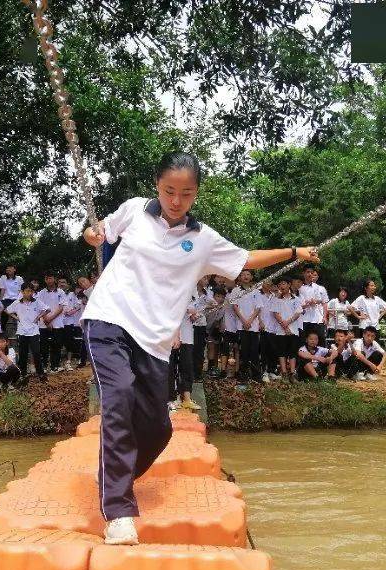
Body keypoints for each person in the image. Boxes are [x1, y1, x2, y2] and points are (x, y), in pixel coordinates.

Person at [81, 151, 318, 545]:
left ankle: (112, 474)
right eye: (169, 190)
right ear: (157, 185)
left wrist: (294, 252)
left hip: (154, 341)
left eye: (186, 193)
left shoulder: (203, 239)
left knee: (158, 431)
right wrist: (91, 234)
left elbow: (247, 258)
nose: (176, 201)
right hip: (109, 318)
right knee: (118, 396)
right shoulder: (134, 210)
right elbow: (100, 231)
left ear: (196, 194)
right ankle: (119, 511)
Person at [6, 282, 50, 382]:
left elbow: (48, 309)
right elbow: (7, 310)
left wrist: (39, 316)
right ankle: (23, 373)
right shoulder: (17, 302)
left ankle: (41, 373)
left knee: (36, 352)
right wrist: (16, 317)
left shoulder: (37, 302)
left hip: (34, 331)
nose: (29, 293)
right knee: (22, 353)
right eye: (27, 291)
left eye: (31, 291)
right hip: (22, 331)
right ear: (22, 292)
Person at [233, 269, 264, 383]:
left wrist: (250, 320)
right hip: (241, 326)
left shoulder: (255, 290)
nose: (245, 276)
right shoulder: (236, 290)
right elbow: (235, 307)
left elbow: (258, 307)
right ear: (240, 277)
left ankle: (256, 375)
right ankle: (243, 375)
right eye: (243, 274)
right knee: (243, 350)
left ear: (251, 277)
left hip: (253, 326)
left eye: (248, 274)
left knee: (254, 350)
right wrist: (244, 320)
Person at [169, 303, 199, 410]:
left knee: (187, 366)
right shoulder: (175, 290)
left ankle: (187, 398)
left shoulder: (193, 291)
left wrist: (194, 315)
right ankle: (172, 399)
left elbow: (193, 311)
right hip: (172, 335)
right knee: (172, 367)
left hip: (187, 335)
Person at [272, 277, 303, 383]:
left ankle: (292, 373)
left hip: (293, 329)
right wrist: (284, 326)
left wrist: (288, 322)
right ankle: (284, 373)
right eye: (279, 284)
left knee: (293, 352)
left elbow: (298, 313)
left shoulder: (296, 299)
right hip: (280, 330)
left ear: (289, 285)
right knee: (282, 352)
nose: (281, 286)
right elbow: (275, 313)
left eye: (284, 283)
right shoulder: (276, 299)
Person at [38, 272, 64, 372]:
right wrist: (47, 321)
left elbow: (61, 307)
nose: (49, 280)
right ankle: (44, 366)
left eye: (51, 278)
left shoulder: (61, 292)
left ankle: (55, 366)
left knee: (56, 345)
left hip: (57, 323)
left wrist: (51, 318)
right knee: (43, 346)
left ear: (55, 279)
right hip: (43, 324)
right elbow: (40, 307)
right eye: (47, 278)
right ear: (45, 280)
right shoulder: (41, 293)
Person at [299, 266, 328, 346]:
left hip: (315, 318)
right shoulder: (299, 287)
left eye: (311, 273)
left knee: (317, 340)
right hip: (302, 318)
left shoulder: (317, 287)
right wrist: (305, 303)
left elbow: (321, 300)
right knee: (303, 341)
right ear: (303, 273)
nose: (310, 274)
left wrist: (314, 301)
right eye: (308, 272)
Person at [258, 280, 280, 382]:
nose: (269, 284)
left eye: (271, 283)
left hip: (274, 327)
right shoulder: (258, 294)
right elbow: (256, 309)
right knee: (264, 350)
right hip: (263, 326)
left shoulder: (275, 295)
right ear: (262, 283)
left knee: (274, 349)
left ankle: (272, 371)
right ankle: (264, 372)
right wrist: (260, 321)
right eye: (266, 282)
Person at [0, 264, 24, 332]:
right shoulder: (3, 277)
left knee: (17, 315)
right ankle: (2, 331)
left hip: (16, 299)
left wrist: (19, 301)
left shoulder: (19, 278)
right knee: (3, 315)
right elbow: (2, 290)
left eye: (10, 268)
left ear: (14, 269)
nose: (8, 269)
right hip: (6, 300)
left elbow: (21, 291)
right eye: (7, 268)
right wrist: (0, 302)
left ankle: (18, 332)